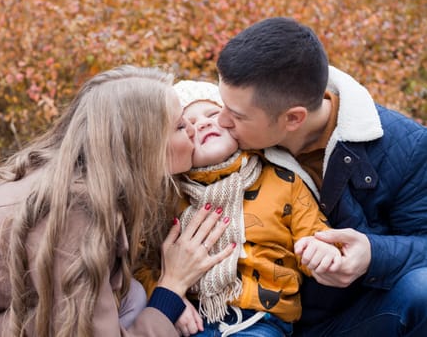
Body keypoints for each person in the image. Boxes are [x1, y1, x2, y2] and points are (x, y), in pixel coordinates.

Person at [0, 65, 236, 337]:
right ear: (143, 147)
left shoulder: (76, 178)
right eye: (180, 125)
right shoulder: (73, 215)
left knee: (129, 295)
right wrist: (171, 287)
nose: (193, 129)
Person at [216, 17, 427, 336]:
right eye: (222, 105)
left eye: (237, 116)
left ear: (293, 118)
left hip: (351, 319)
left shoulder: (406, 147)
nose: (220, 120)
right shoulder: (218, 136)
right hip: (243, 317)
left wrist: (372, 254)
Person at [138, 80, 342, 337]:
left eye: (213, 115)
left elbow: (315, 233)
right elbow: (141, 264)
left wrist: (320, 250)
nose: (202, 124)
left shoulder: (283, 181)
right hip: (192, 318)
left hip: (261, 319)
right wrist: (168, 303)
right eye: (187, 126)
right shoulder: (168, 197)